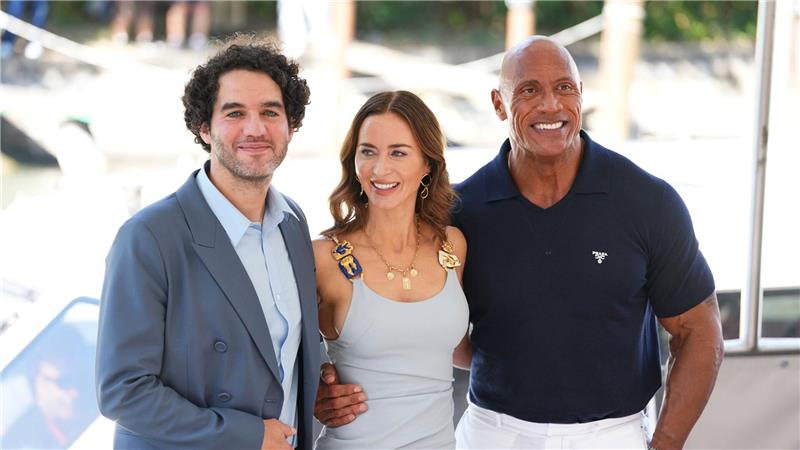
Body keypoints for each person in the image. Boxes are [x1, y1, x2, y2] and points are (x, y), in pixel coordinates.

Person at [314, 36, 724, 450]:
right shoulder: (460, 213)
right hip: (492, 433)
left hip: (613, 435)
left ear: (581, 96)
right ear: (498, 104)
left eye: (565, 88)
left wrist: (666, 443)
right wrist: (329, 381)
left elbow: (699, 330)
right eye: (529, 90)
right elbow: (408, 315)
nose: (550, 105)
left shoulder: (646, 201)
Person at [96, 36, 319, 450]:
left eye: (271, 112)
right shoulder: (149, 238)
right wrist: (249, 435)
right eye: (235, 113)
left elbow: (284, 358)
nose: (255, 129)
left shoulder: (293, 221)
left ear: (292, 124)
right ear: (204, 126)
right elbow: (123, 391)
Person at [313, 91, 471, 449]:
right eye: (368, 152)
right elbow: (272, 353)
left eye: (398, 152)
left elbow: (461, 351)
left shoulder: (452, 246)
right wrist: (314, 387)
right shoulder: (323, 257)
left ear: (428, 164)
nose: (380, 169)